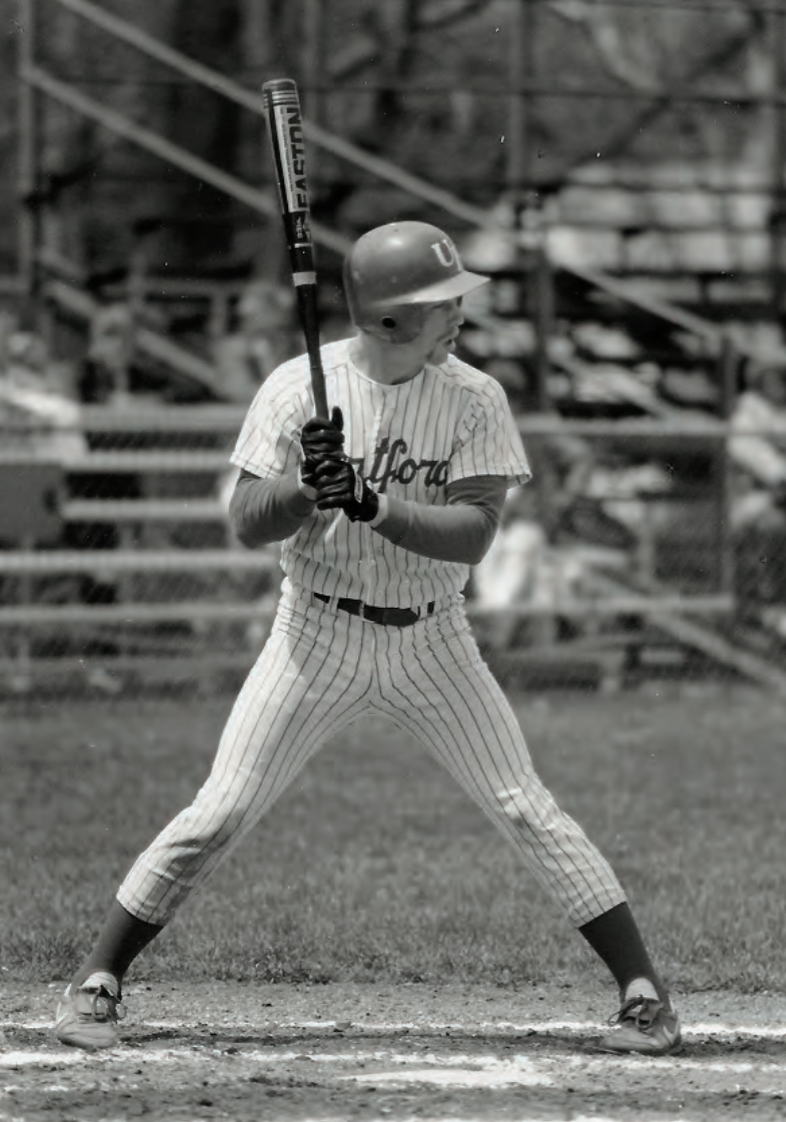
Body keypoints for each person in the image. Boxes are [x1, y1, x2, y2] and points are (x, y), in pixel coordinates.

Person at [54, 220, 680, 1057]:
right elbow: (246, 522)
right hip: (315, 632)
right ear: (388, 320)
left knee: (525, 806)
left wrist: (373, 501)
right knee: (223, 809)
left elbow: (475, 532)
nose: (458, 317)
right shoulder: (291, 390)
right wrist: (303, 489)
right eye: (439, 305)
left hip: (434, 640)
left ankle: (642, 989)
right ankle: (99, 978)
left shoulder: (474, 397)